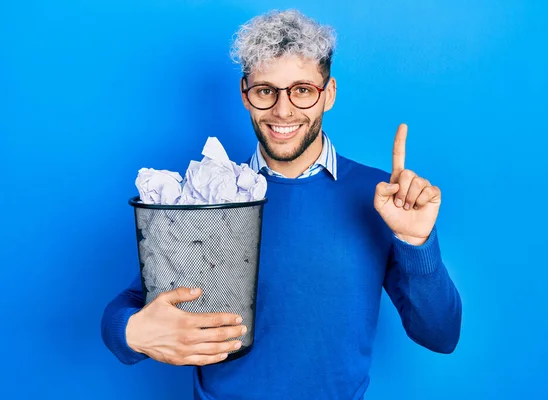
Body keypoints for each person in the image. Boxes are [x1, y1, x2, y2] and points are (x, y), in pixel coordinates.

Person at [101, 9, 462, 400]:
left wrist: (416, 242)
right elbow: (132, 304)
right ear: (245, 95)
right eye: (265, 90)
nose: (283, 110)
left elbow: (441, 334)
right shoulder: (209, 196)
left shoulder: (384, 197)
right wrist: (131, 332)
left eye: (302, 90)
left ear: (329, 94)